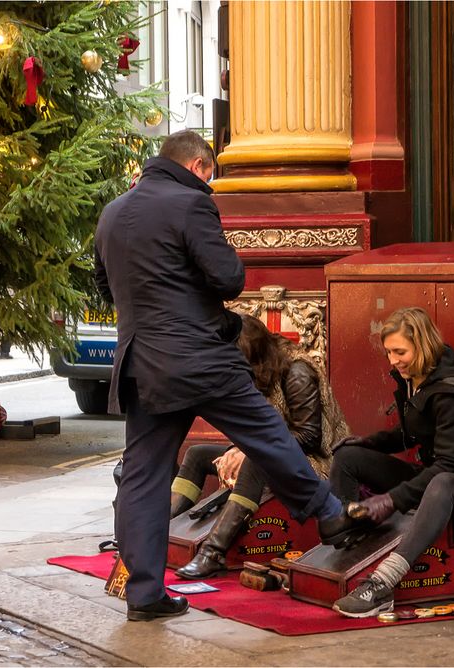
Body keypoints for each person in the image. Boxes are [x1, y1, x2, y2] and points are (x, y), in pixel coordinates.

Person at [94, 130, 352, 622]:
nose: (209, 186)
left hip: (140, 362)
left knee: (144, 476)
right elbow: (229, 277)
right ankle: (331, 516)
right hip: (199, 358)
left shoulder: (112, 212)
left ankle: (144, 594)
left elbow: (105, 286)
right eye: (209, 177)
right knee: (267, 434)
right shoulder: (191, 204)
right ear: (198, 167)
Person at [328, 307, 454, 618]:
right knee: (348, 456)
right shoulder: (414, 374)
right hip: (437, 475)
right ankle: (346, 538)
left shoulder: (451, 389)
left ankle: (383, 583)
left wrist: (391, 500)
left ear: (423, 345)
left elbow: (450, 465)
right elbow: (414, 432)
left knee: (441, 482)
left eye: (400, 352)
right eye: (388, 352)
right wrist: (370, 443)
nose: (392, 360)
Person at [172, 313, 351, 579]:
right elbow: (256, 429)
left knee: (257, 462)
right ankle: (163, 531)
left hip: (318, 462)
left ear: (256, 357)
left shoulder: (297, 372)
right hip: (273, 452)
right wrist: (238, 448)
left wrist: (247, 452)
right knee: (197, 454)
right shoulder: (261, 371)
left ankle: (212, 552)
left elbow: (309, 437)